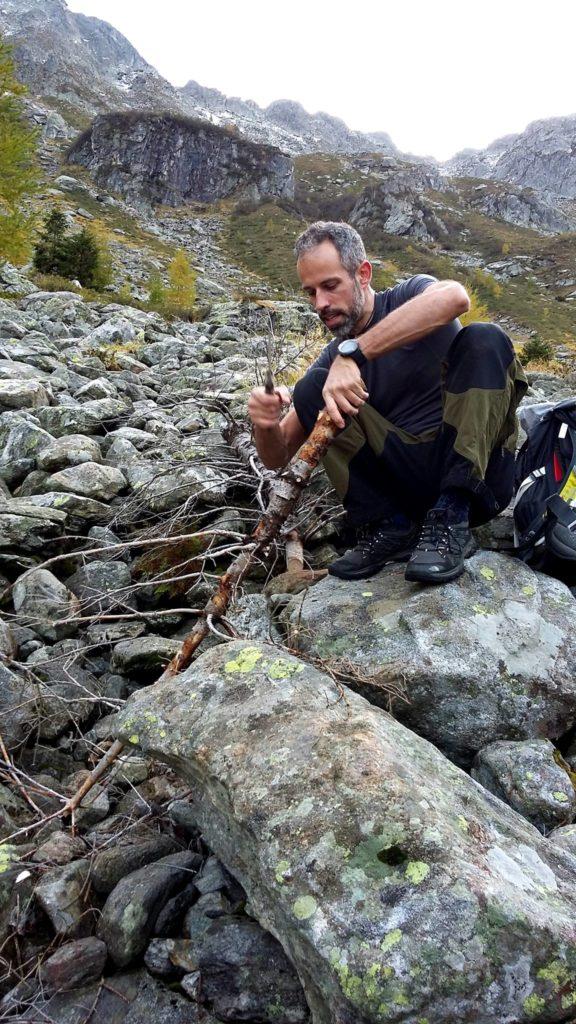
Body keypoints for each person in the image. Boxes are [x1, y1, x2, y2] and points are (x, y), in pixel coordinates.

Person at [247, 221, 528, 584]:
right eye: (311, 292)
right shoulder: (332, 360)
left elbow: (455, 298)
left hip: (479, 478)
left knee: (484, 337)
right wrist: (265, 424)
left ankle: (452, 517)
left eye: (330, 286)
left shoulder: (410, 295)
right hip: (411, 487)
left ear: (363, 273)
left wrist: (355, 354)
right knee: (312, 387)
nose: (321, 303)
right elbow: (278, 454)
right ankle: (391, 527)